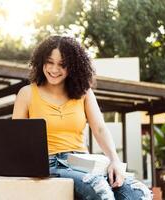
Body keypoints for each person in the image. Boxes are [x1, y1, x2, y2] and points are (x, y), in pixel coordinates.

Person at [12, 36, 152, 200]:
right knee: (101, 192)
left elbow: (99, 128)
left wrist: (115, 161)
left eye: (62, 64)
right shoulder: (27, 93)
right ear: (41, 61)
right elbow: (16, 138)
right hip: (50, 164)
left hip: (83, 162)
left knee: (138, 194)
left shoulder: (83, 92)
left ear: (73, 67)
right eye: (49, 62)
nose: (54, 69)